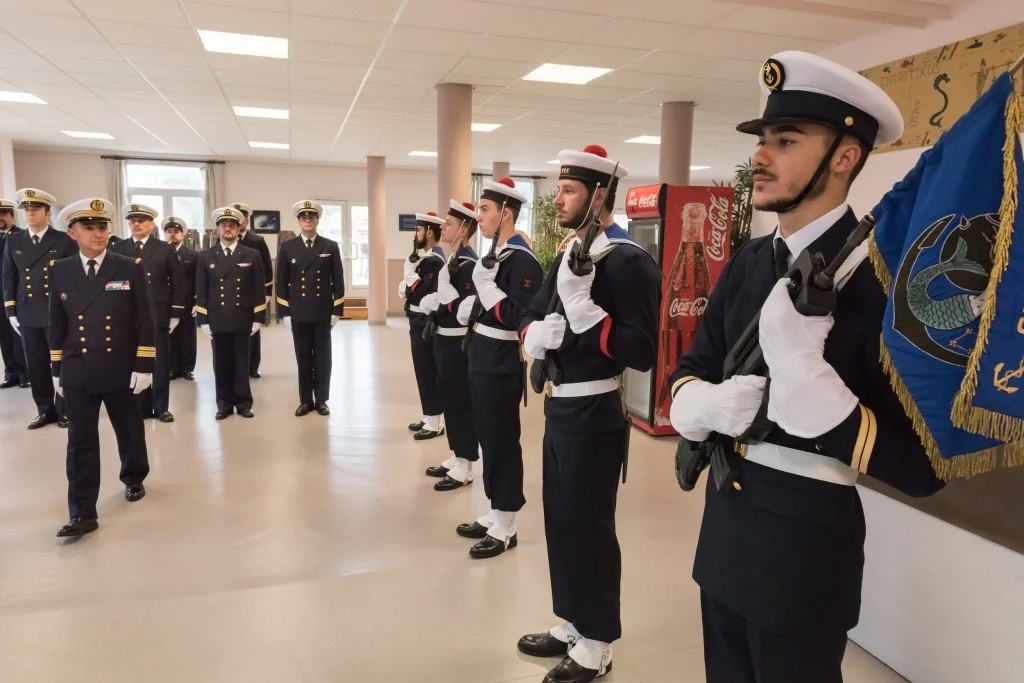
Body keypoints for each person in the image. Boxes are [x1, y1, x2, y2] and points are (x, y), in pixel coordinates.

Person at [668, 51, 944, 683]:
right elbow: (692, 366)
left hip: (804, 555)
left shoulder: (886, 282)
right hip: (724, 535)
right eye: (762, 139)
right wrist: (699, 404)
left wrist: (824, 404)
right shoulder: (747, 262)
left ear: (845, 157)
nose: (760, 156)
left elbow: (922, 465)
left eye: (785, 141)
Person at [516, 146, 660, 682]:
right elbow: (532, 311)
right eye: (558, 189)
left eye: (568, 191)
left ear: (599, 197)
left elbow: (641, 350)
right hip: (559, 409)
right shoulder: (568, 254)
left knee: (591, 529)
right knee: (562, 522)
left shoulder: (627, 261)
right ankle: (574, 622)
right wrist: (535, 333)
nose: (557, 199)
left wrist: (587, 314)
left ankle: (597, 644)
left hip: (596, 411)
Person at [49, 198, 155, 537]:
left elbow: (145, 319)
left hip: (120, 366)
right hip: (78, 367)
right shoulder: (60, 270)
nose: (98, 234)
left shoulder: (128, 267)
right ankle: (82, 513)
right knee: (80, 441)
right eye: (89, 227)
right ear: (72, 233)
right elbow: (57, 323)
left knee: (129, 428)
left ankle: (134, 476)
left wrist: (144, 364)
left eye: (103, 227)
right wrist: (56, 369)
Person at [454, 177, 541, 559]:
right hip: (481, 356)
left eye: (485, 209)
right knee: (488, 438)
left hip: (501, 362)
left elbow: (521, 316)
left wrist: (487, 292)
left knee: (502, 441)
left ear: (506, 213)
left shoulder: (522, 260)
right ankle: (495, 511)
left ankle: (507, 524)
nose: (479, 216)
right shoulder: (498, 254)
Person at [3, 188, 77, 429]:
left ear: (47, 213)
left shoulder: (64, 240)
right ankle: (45, 410)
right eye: (26, 209)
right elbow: (9, 276)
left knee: (60, 362)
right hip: (28, 312)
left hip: (57, 311)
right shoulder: (14, 241)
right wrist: (11, 310)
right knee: (35, 364)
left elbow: (73, 277)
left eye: (35, 209)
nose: (29, 213)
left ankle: (64, 410)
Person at [420, 200, 481, 492]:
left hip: (458, 342)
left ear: (464, 230)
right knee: (449, 398)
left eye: (449, 224)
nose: (442, 227)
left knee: (460, 401)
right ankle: (457, 453)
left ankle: (466, 463)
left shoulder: (470, 264)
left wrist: (443, 301)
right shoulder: (454, 259)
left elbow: (465, 309)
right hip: (444, 338)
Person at [111, 204, 185, 422]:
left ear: (151, 225)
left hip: (158, 313)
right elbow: (112, 282)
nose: (136, 224)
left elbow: (178, 282)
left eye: (141, 220)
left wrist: (176, 312)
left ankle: (161, 407)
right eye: (132, 220)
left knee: (160, 363)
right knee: (134, 361)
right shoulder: (117, 248)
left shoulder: (164, 248)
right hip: (128, 313)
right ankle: (139, 407)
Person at [276, 200, 345, 416]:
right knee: (303, 358)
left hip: (322, 311)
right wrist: (285, 313)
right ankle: (305, 400)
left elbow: (338, 281)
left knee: (323, 359)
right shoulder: (287, 247)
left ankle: (322, 400)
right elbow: (281, 282)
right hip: (299, 312)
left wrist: (337, 310)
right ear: (298, 221)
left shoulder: (330, 246)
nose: (308, 221)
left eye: (311, 217)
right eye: (304, 217)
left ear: (317, 220)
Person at [195, 207, 266, 420]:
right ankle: (224, 404)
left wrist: (258, 317)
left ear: (238, 228)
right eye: (224, 225)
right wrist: (203, 319)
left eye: (232, 225)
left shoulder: (251, 254)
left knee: (242, 363)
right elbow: (202, 290)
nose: (228, 228)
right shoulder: (206, 256)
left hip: (242, 317)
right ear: (217, 229)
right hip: (217, 317)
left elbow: (258, 289)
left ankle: (244, 403)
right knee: (221, 364)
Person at [399, 212, 446, 440]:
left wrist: (409, 277)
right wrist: (410, 282)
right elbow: (409, 291)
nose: (414, 234)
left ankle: (436, 421)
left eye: (418, 230)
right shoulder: (423, 259)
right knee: (422, 369)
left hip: (425, 321)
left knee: (428, 370)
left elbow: (421, 292)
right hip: (416, 319)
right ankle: (429, 416)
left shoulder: (435, 261)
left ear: (429, 233)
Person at [231, 203, 274, 379]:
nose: (240, 221)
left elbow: (267, 268)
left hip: (252, 293)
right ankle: (234, 366)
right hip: (230, 293)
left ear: (247, 221)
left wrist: (267, 292)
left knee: (253, 332)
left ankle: (253, 366)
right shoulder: (225, 238)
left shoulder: (257, 241)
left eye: (243, 218)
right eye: (237, 217)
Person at [164, 217, 198, 381]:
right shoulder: (160, 253)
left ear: (183, 235)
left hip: (187, 301)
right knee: (170, 336)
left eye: (176, 231)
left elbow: (197, 280)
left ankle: (187, 369)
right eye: (169, 231)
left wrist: (197, 302)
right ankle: (172, 368)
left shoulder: (192, 255)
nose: (172, 234)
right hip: (166, 301)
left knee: (187, 336)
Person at [0, 198, 29, 389]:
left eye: (3, 214)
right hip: (0, 295)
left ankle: (25, 374)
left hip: (16, 294)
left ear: (11, 215)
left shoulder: (21, 237)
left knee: (19, 336)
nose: (0, 218)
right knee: (4, 336)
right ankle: (10, 373)